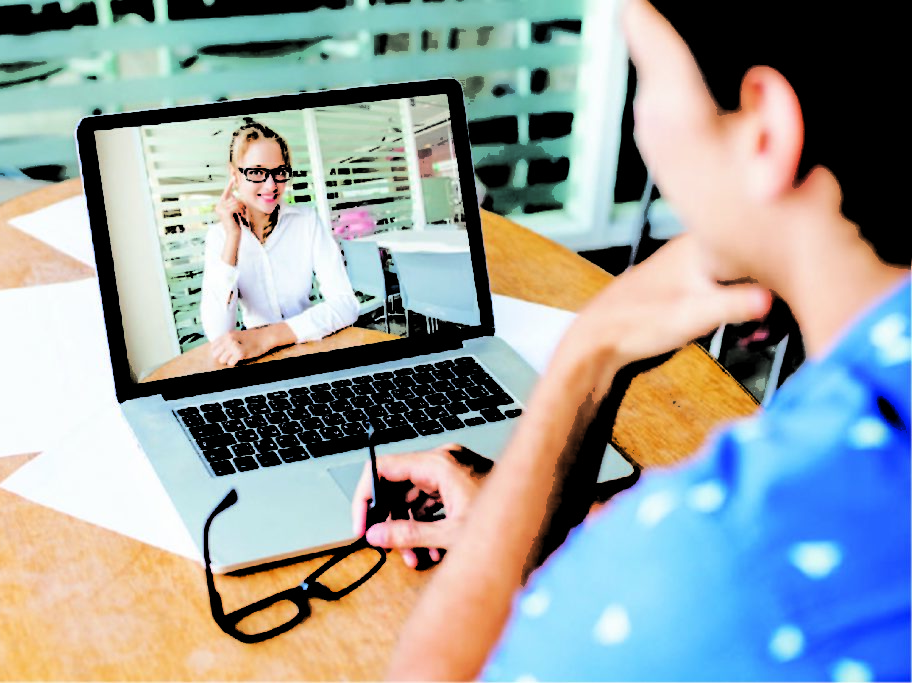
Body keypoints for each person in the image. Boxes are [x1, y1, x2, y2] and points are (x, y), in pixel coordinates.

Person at [350, 0, 911, 679]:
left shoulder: (722, 559)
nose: (641, 128)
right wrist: (527, 517)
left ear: (765, 132)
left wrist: (587, 358)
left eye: (645, 73)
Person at [200, 121, 359, 367]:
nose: (271, 185)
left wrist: (269, 337)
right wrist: (233, 237)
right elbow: (218, 333)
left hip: (310, 345)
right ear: (234, 176)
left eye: (279, 171)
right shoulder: (220, 236)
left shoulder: (306, 222)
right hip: (256, 360)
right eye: (256, 172)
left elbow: (346, 304)